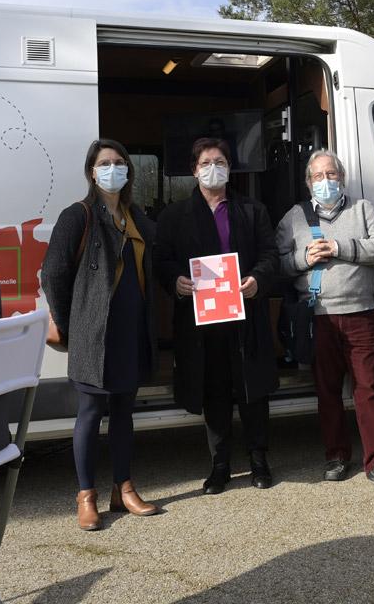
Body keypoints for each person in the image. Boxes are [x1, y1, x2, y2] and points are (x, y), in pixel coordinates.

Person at [42, 139, 160, 531]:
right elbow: (53, 274)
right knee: (90, 413)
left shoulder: (136, 216)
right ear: (92, 172)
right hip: (92, 332)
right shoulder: (77, 216)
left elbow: (160, 257)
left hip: (130, 329)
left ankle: (123, 488)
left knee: (125, 412)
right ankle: (86, 495)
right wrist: (69, 324)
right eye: (105, 163)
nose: (113, 169)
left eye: (119, 162)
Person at [154, 137, 280, 494]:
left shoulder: (252, 210)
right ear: (194, 170)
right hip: (201, 321)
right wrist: (174, 281)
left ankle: (259, 461)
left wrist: (258, 279)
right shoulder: (174, 216)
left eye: (220, 161)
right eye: (206, 162)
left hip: (246, 314)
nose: (213, 168)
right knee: (215, 392)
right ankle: (220, 466)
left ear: (229, 168)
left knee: (252, 390)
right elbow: (161, 260)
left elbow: (271, 255)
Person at [275, 149, 374, 488]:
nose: (325, 181)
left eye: (331, 175)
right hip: (319, 317)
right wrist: (303, 257)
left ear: (341, 178)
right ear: (308, 182)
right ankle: (336, 456)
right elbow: (277, 263)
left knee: (368, 389)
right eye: (318, 176)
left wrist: (341, 248)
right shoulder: (294, 217)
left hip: (360, 313)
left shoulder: (362, 209)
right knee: (327, 392)